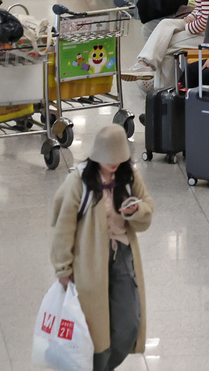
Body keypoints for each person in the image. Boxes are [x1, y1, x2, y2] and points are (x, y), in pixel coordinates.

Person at [49, 124, 152, 371]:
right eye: (109, 158)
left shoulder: (129, 177)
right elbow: (63, 227)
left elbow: (147, 208)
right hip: (89, 263)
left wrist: (136, 210)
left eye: (119, 157)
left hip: (123, 256)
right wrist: (63, 268)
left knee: (128, 325)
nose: (114, 163)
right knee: (94, 335)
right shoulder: (79, 182)